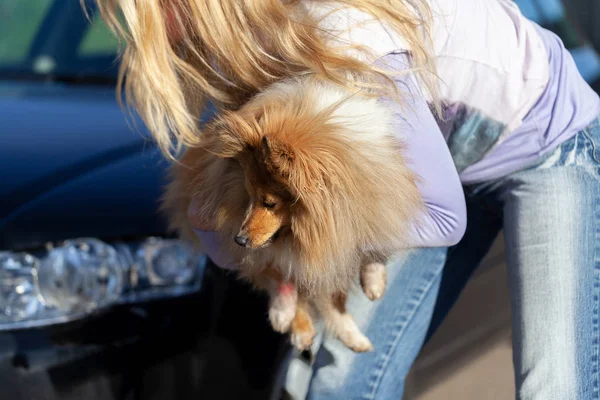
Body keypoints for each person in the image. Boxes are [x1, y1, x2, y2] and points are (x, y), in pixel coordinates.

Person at [95, 0, 600, 398]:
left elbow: (444, 218)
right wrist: (219, 221)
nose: (132, 34)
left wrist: (312, 241)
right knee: (340, 379)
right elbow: (238, 247)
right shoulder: (244, 63)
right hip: (436, 167)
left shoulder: (342, 26)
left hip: (544, 138)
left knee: (552, 386)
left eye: (140, 11)